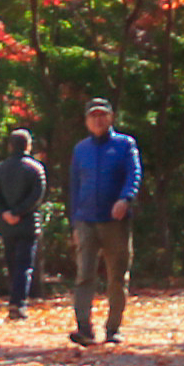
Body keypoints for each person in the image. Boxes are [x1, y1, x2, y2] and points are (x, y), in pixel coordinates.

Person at [65, 97, 141, 347]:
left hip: (115, 221)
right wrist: (74, 221)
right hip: (86, 219)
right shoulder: (81, 149)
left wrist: (125, 199)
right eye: (93, 116)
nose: (97, 120)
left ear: (110, 118)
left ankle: (113, 328)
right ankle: (84, 328)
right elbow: (74, 186)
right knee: (84, 274)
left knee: (116, 276)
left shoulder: (124, 144)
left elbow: (134, 174)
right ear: (87, 121)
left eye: (102, 115)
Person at [0, 128, 48, 322]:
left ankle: (15, 301)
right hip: (28, 222)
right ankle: (18, 303)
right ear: (28, 146)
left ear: (10, 146)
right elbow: (36, 196)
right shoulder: (36, 168)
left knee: (12, 263)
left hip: (7, 224)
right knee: (24, 264)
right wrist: (19, 212)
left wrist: (5, 212)